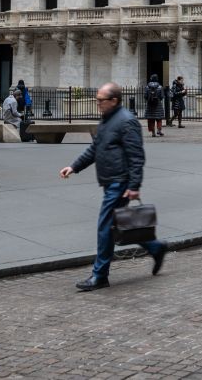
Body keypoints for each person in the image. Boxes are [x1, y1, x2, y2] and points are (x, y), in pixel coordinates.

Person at [60, 83, 167, 291]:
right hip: (111, 180)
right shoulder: (107, 120)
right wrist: (73, 167)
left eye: (101, 100)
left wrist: (134, 185)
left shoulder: (127, 122)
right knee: (117, 226)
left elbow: (137, 156)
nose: (97, 103)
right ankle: (156, 247)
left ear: (114, 101)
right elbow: (95, 149)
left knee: (105, 227)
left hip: (120, 182)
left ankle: (100, 275)